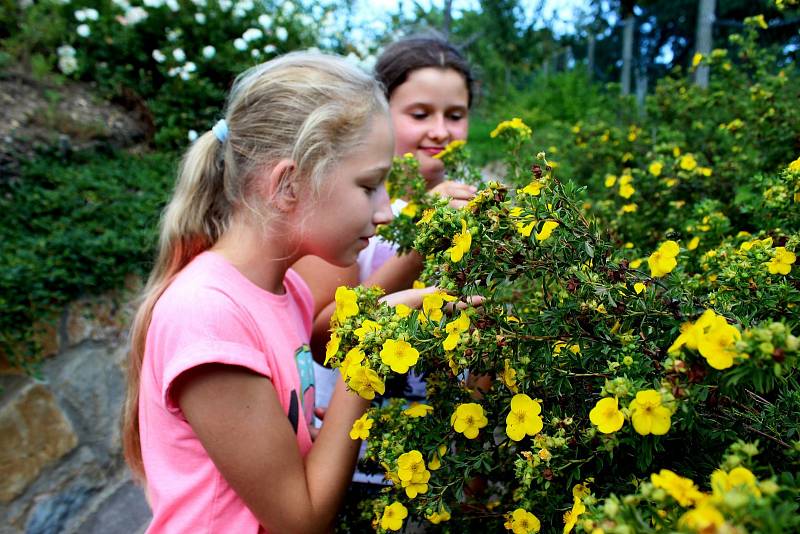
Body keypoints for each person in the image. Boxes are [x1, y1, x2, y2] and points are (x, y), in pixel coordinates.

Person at [121, 51, 432, 534]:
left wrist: (306, 436)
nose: (386, 210)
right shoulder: (207, 314)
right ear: (289, 183)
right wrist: (369, 352)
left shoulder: (289, 292)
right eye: (369, 185)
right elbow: (300, 520)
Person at [291, 34, 479, 519]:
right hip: (355, 470)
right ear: (378, 113)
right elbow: (322, 338)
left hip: (443, 468)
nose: (440, 131)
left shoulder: (479, 210)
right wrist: (421, 247)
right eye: (419, 114)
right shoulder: (347, 210)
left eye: (454, 115)